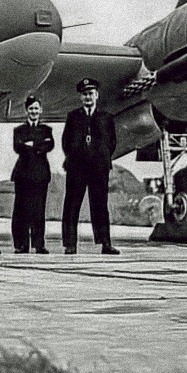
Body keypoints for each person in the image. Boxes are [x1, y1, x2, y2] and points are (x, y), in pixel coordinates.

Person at [61, 77, 119, 255]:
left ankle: (105, 243)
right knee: (72, 205)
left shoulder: (106, 117)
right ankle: (70, 244)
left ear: (97, 95)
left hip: (99, 168)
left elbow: (112, 141)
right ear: (80, 97)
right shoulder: (73, 116)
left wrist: (102, 157)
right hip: (77, 167)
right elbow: (66, 141)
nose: (88, 97)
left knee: (100, 205)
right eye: (85, 94)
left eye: (91, 94)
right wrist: (74, 156)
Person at [10, 96, 54, 254]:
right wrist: (38, 146)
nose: (34, 111)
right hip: (23, 174)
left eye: (36, 108)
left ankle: (39, 244)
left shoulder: (47, 130)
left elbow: (49, 146)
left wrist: (31, 145)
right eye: (31, 109)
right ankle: (21, 244)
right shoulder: (19, 130)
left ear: (40, 110)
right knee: (21, 210)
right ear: (26, 111)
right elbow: (18, 147)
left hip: (40, 175)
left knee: (38, 210)